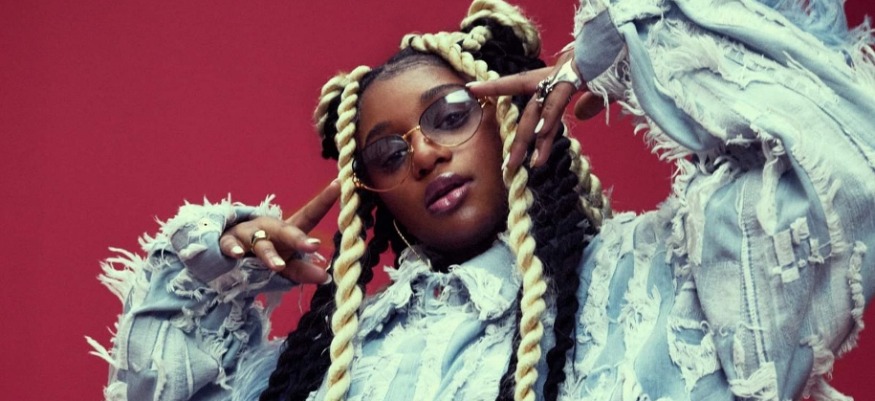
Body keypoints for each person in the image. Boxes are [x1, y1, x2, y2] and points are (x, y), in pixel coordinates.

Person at [88, 0, 875, 400]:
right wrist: (211, 266)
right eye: (387, 153)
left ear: (512, 117)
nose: (424, 152)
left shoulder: (658, 278)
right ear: (374, 200)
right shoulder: (341, 364)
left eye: (449, 115)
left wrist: (621, 44)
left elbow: (828, 170)